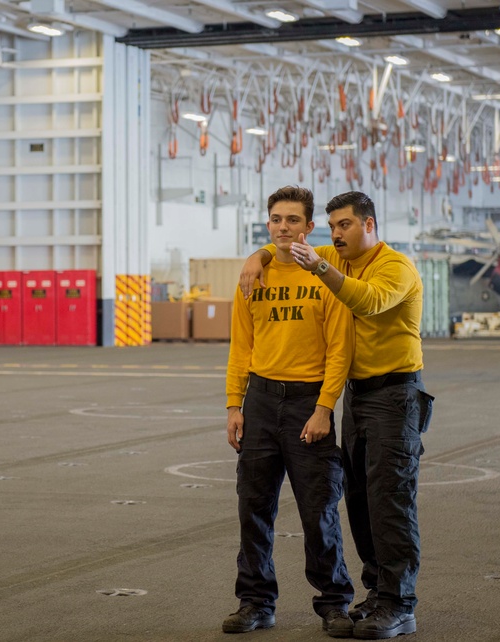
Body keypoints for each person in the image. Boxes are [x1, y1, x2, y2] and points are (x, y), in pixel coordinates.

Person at [239, 191, 434, 639]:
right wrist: (259, 254)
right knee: (361, 501)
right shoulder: (338, 256)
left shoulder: (395, 267)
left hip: (397, 395)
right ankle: (377, 593)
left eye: (343, 225)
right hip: (359, 397)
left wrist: (320, 266)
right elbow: (289, 243)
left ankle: (400, 604)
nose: (335, 235)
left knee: (391, 500)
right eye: (331, 228)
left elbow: (366, 301)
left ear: (369, 224)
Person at [223, 186, 355, 638]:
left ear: (308, 227)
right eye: (276, 219)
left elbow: (340, 349)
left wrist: (324, 409)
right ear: (268, 225)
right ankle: (256, 602)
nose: (284, 227)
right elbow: (241, 347)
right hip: (259, 400)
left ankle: (335, 603)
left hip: (306, 402)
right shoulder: (250, 277)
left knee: (319, 511)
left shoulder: (325, 272)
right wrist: (233, 405)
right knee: (253, 507)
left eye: (293, 220)